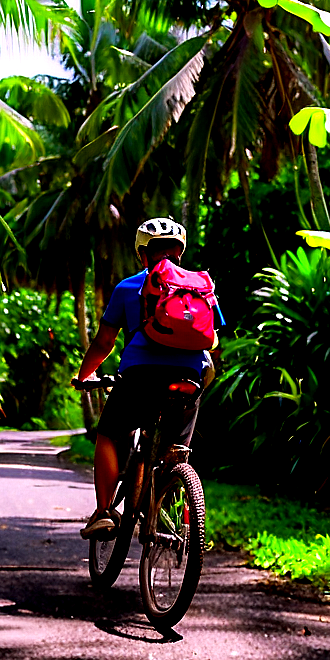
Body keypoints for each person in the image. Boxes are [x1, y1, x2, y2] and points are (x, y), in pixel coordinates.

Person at [73, 216, 224, 537]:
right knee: (174, 450)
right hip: (189, 379)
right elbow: (213, 339)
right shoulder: (202, 288)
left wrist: (83, 376)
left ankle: (103, 512)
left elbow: (104, 342)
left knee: (109, 435)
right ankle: (165, 496)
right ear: (180, 252)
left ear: (142, 253)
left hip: (140, 377)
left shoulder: (129, 287)